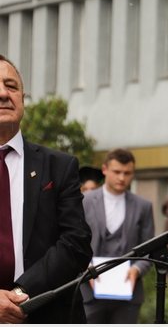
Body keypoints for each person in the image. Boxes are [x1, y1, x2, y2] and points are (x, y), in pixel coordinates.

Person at [0, 54, 92, 323]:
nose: (3, 94)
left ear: (23, 99)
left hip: (46, 312)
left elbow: (76, 243)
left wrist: (20, 294)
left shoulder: (59, 166)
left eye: (11, 86)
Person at [80, 148, 155, 323]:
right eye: (117, 172)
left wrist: (136, 269)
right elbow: (72, 243)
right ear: (105, 169)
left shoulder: (143, 206)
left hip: (128, 296)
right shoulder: (84, 201)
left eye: (127, 173)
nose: (122, 178)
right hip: (89, 294)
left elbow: (150, 248)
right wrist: (86, 268)